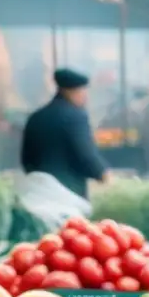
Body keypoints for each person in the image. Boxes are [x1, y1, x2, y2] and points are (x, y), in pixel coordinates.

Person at [21, 68, 109, 199]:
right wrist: (102, 174)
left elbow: (26, 158)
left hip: (38, 193)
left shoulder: (36, 117)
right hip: (68, 193)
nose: (86, 96)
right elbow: (85, 153)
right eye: (82, 91)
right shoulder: (75, 116)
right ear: (70, 92)